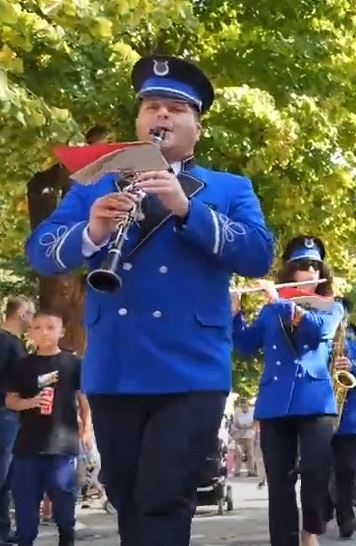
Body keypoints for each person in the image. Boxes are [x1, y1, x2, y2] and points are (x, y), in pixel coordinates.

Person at [23, 55, 274, 545]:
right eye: (152, 106)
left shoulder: (228, 188)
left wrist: (187, 209)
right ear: (138, 121)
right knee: (126, 493)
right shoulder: (96, 181)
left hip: (190, 367)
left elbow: (259, 255)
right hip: (117, 363)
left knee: (166, 493)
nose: (162, 116)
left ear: (196, 126)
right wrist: (92, 231)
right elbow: (41, 253)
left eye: (176, 108)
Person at [231, 235, 347, 546]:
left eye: (314, 266)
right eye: (301, 266)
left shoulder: (331, 307)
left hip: (315, 402)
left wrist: (281, 303)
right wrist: (235, 314)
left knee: (315, 471)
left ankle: (310, 533)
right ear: (290, 273)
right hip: (274, 403)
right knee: (279, 482)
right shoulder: (270, 312)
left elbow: (318, 331)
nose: (308, 272)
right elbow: (245, 345)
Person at [5, 309, 91, 546]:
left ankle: (67, 538)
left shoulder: (73, 362)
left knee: (64, 504)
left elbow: (84, 399)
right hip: (27, 447)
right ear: (31, 332)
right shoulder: (21, 365)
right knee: (25, 506)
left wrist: (86, 431)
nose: (44, 332)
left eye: (51, 327)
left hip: (63, 445)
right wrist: (30, 402)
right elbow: (10, 399)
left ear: (61, 331)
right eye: (38, 327)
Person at [324, 318, 356, 539]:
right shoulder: (315, 344)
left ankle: (345, 516)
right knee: (320, 470)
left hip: (350, 421)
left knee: (348, 471)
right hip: (319, 416)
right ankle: (324, 509)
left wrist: (353, 368)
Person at [0, 296, 34, 545]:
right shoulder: (5, 342)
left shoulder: (15, 343)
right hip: (4, 413)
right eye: (31, 314)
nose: (33, 320)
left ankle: (3, 530)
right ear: (22, 313)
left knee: (7, 477)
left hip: (13, 414)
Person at [231, 398, 257, 477]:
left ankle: (251, 470)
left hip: (249, 434)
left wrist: (249, 426)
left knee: (250, 453)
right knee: (239, 453)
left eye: (245, 406)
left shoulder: (252, 411)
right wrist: (240, 426)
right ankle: (237, 471)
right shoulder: (238, 411)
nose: (244, 408)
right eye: (242, 406)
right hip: (239, 434)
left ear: (247, 404)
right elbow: (235, 422)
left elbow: (255, 421)